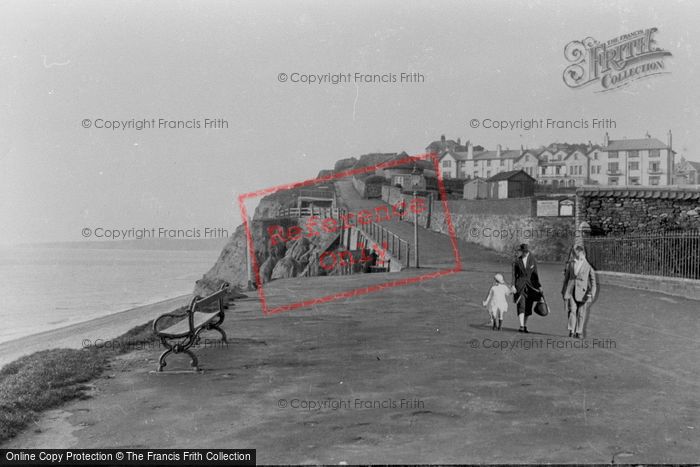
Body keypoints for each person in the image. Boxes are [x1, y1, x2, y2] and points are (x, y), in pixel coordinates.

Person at [561, 245, 597, 338]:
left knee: (581, 312)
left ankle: (579, 331)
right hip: (571, 290)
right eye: (575, 253)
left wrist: (592, 293)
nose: (576, 255)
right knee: (572, 310)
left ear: (582, 253)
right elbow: (566, 278)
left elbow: (593, 281)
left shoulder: (588, 265)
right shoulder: (571, 264)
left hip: (583, 293)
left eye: (577, 253)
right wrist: (564, 290)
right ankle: (572, 330)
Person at [511, 243, 542, 333]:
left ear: (527, 251)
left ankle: (524, 325)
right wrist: (513, 285)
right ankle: (521, 326)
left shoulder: (532, 259)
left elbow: (535, 274)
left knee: (528, 307)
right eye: (522, 252)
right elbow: (513, 274)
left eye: (525, 252)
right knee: (521, 305)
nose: (523, 253)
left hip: (531, 286)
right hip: (520, 286)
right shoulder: (517, 261)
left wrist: (539, 286)